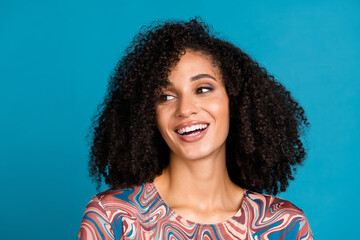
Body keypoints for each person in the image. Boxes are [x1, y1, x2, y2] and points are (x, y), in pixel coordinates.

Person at [77, 18, 313, 240]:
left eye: (203, 89)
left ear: (235, 101)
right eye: (166, 96)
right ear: (148, 115)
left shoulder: (283, 225)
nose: (185, 109)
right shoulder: (112, 218)